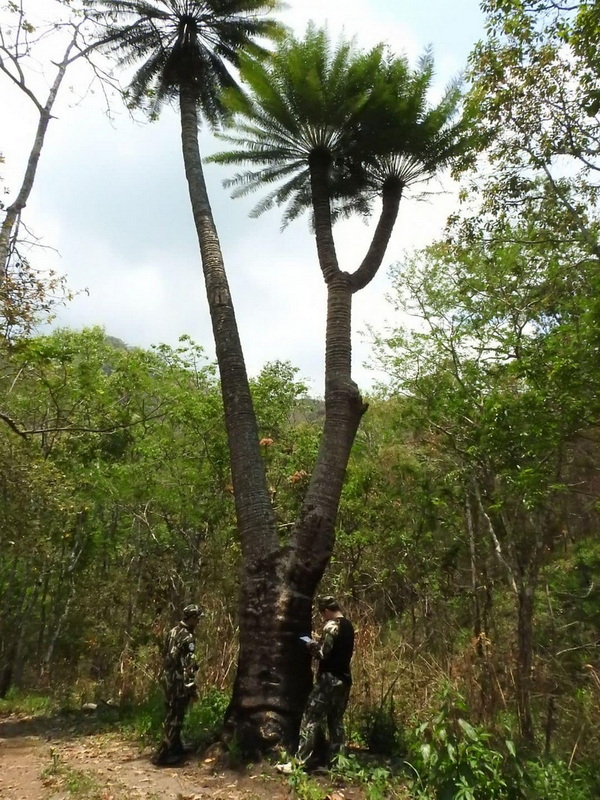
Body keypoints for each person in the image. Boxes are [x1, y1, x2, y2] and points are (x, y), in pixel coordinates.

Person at [279, 595, 355, 773]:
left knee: (310, 718)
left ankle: (299, 763)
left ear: (327, 611)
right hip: (344, 680)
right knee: (336, 721)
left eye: (323, 614)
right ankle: (338, 763)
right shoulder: (349, 626)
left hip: (328, 680)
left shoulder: (332, 626)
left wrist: (311, 645)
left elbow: (323, 653)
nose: (323, 617)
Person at [152, 603, 203, 766]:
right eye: (198, 619)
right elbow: (188, 666)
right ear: (192, 618)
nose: (199, 622)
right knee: (175, 718)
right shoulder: (188, 638)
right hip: (178, 682)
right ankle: (163, 755)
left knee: (171, 713)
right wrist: (191, 688)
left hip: (167, 679)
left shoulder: (172, 632)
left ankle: (176, 747)